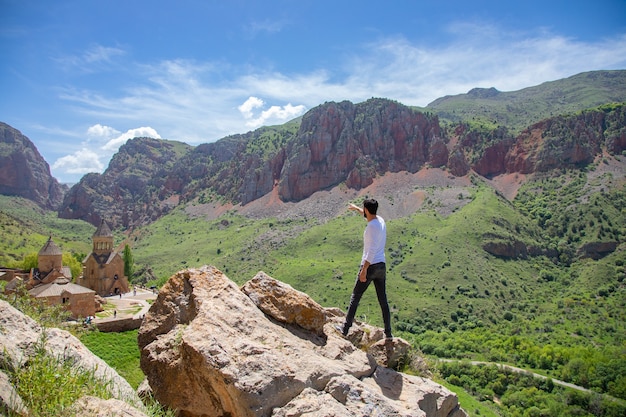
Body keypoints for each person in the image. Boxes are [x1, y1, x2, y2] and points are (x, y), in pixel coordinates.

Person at [337, 198, 392, 339]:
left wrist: (364, 270)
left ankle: (344, 329)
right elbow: (367, 215)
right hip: (381, 266)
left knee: (355, 297)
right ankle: (388, 333)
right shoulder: (380, 220)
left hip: (370, 265)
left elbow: (371, 250)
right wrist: (356, 209)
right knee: (383, 300)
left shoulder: (371, 227)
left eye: (363, 209)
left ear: (367, 210)